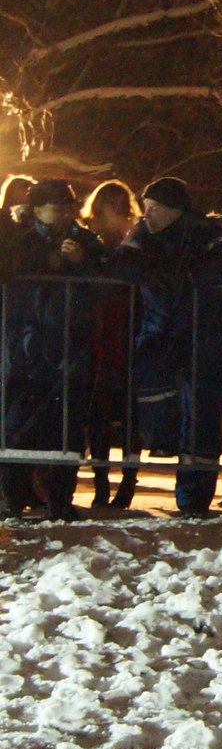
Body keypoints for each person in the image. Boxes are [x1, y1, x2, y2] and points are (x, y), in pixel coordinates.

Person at [114, 178, 222, 517]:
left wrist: (178, 273)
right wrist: (155, 270)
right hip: (160, 331)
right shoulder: (144, 233)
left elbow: (219, 267)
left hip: (203, 331)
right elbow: (121, 262)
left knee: (202, 413)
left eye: (153, 209)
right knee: (155, 395)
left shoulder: (206, 232)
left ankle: (194, 495)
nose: (147, 215)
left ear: (174, 210)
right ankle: (165, 444)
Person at [0, 180, 105, 520]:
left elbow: (103, 279)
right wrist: (48, 260)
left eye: (67, 208)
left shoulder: (84, 240)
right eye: (56, 208)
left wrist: (81, 260)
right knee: (19, 421)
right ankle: (13, 495)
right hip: (25, 341)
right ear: (37, 210)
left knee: (67, 422)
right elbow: (10, 269)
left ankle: (60, 498)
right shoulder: (17, 237)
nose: (63, 215)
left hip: (69, 341)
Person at [81, 180, 143, 508]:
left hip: (128, 333)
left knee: (131, 415)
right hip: (100, 335)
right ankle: (101, 480)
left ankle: (128, 480)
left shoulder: (135, 242)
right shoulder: (90, 242)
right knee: (99, 414)